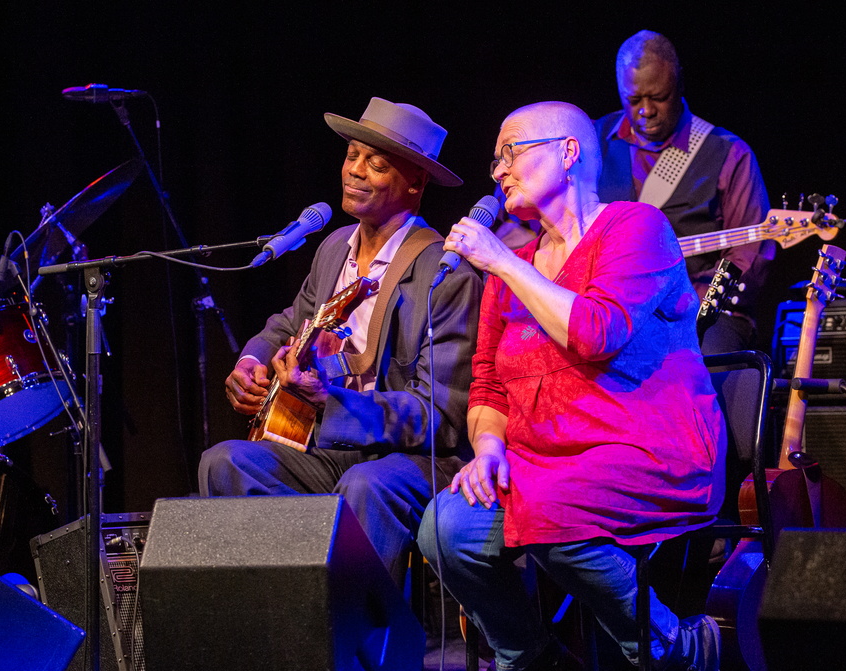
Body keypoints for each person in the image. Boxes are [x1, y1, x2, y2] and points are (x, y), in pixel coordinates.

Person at [417, 102, 727, 671]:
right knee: (447, 527)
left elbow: (596, 332)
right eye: (495, 160)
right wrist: (488, 449)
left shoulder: (636, 228)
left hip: (643, 449)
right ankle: (531, 657)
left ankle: (674, 648)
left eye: (511, 152)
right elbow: (487, 384)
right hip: (542, 462)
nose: (498, 170)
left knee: (553, 511)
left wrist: (503, 263)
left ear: (568, 152)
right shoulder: (513, 267)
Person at [199, 97, 482, 587]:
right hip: (330, 447)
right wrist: (251, 361)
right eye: (352, 155)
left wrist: (331, 404)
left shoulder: (446, 273)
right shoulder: (335, 248)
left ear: (415, 182)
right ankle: (280, 608)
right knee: (225, 463)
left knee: (366, 484)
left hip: (409, 460)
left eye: (377, 164)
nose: (355, 171)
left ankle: (356, 628)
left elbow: (440, 415)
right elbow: (289, 323)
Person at [594, 30, 773, 354]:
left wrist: (690, 305)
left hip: (702, 312)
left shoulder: (727, 152)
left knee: (698, 363)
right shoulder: (591, 141)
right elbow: (533, 224)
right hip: (608, 309)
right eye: (633, 100)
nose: (646, 110)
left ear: (679, 84)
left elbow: (749, 253)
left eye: (658, 97)